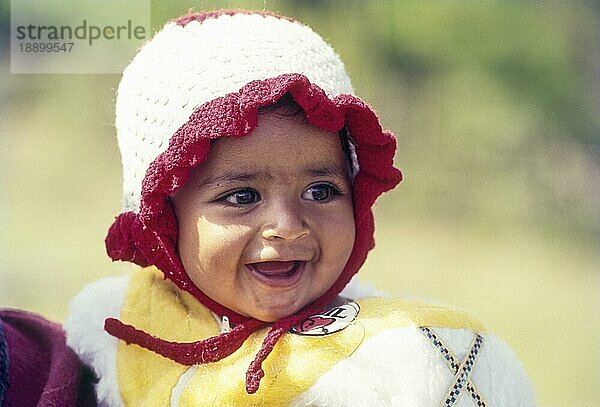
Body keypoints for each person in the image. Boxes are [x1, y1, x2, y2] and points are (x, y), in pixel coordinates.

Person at [64, 9, 536, 406]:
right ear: (163, 223)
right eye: (241, 197)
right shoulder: (113, 336)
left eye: (321, 191)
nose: (287, 228)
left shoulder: (412, 355)